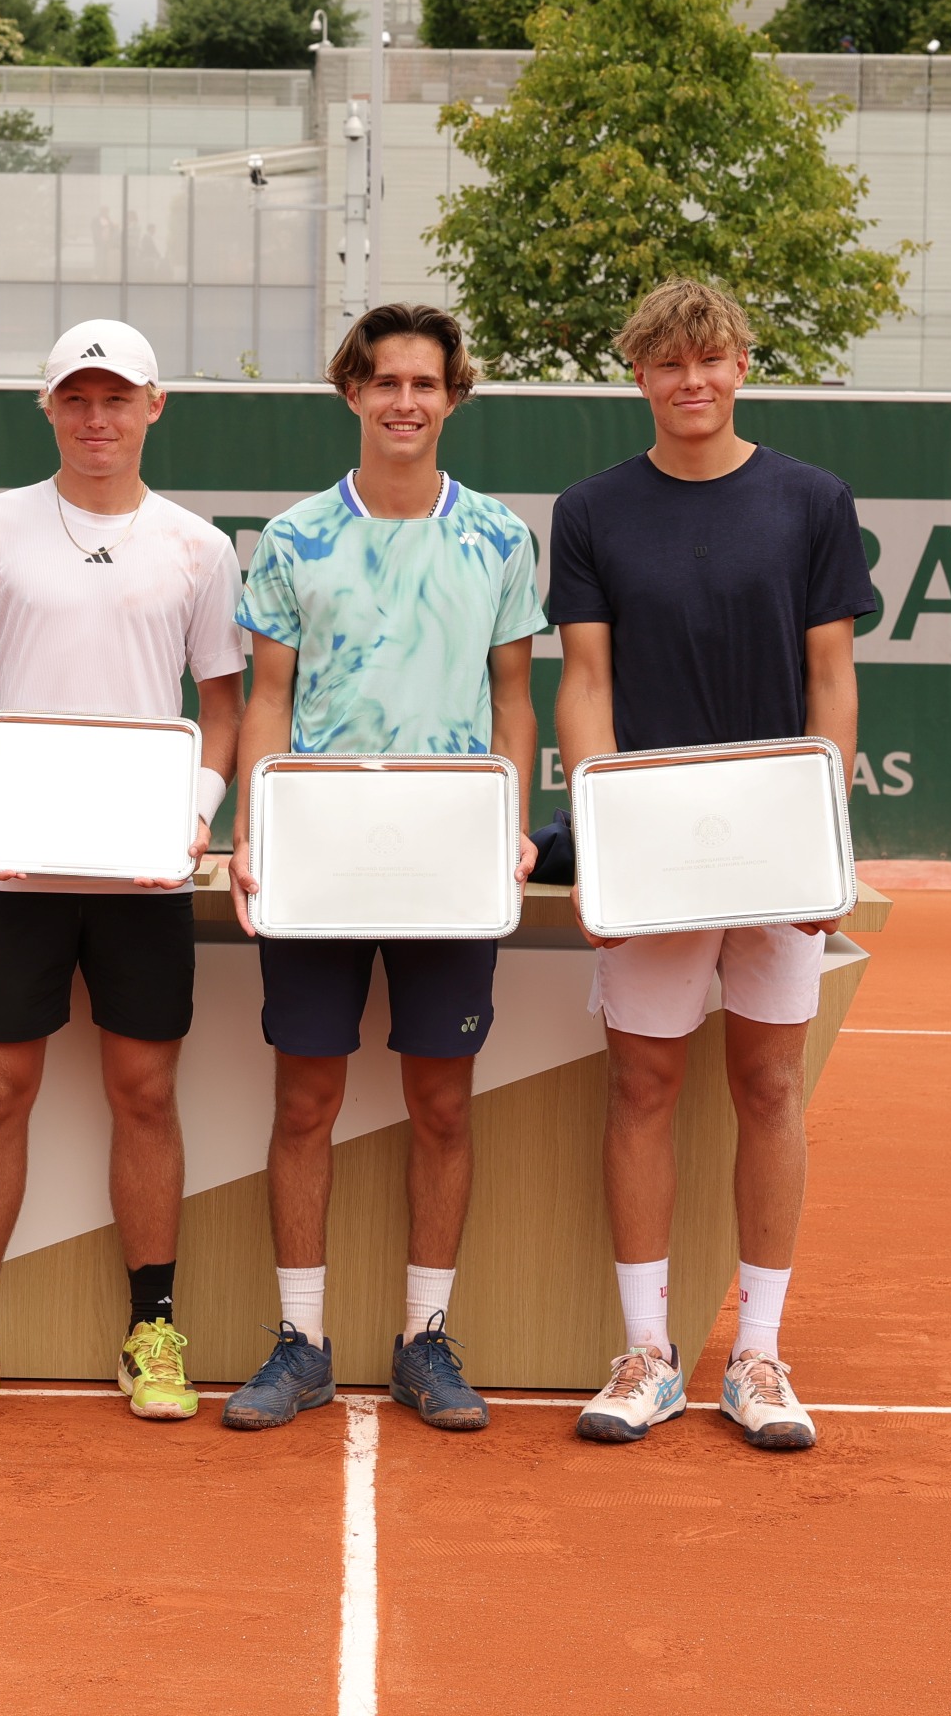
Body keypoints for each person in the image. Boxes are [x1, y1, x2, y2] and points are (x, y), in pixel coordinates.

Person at [551, 278, 875, 1454]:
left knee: (770, 1089)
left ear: (742, 364)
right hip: (652, 847)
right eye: (666, 362)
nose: (691, 379)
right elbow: (584, 680)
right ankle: (648, 1354)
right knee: (640, 1088)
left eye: (711, 358)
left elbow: (831, 679)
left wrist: (819, 834)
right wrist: (601, 838)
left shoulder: (812, 501)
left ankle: (759, 1354)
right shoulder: (591, 509)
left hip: (776, 848)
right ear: (640, 374)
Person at [222, 301, 543, 1436]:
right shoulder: (295, 537)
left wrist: (509, 813)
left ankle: (424, 1338)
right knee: (305, 1097)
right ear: (353, 391)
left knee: (440, 1100)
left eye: (425, 382)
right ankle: (300, 1340)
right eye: (385, 380)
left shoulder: (501, 536)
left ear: (453, 396)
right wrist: (255, 826)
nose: (405, 400)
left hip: (450, 858)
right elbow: (266, 699)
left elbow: (514, 697)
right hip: (319, 855)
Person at [0, 318, 244, 1425]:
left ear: (156, 406)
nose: (96, 417)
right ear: (49, 408)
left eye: (117, 397)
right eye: (77, 397)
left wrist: (195, 812)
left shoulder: (201, 545)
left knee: (143, 1090)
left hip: (145, 870)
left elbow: (224, 703)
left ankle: (153, 1325)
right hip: (18, 864)